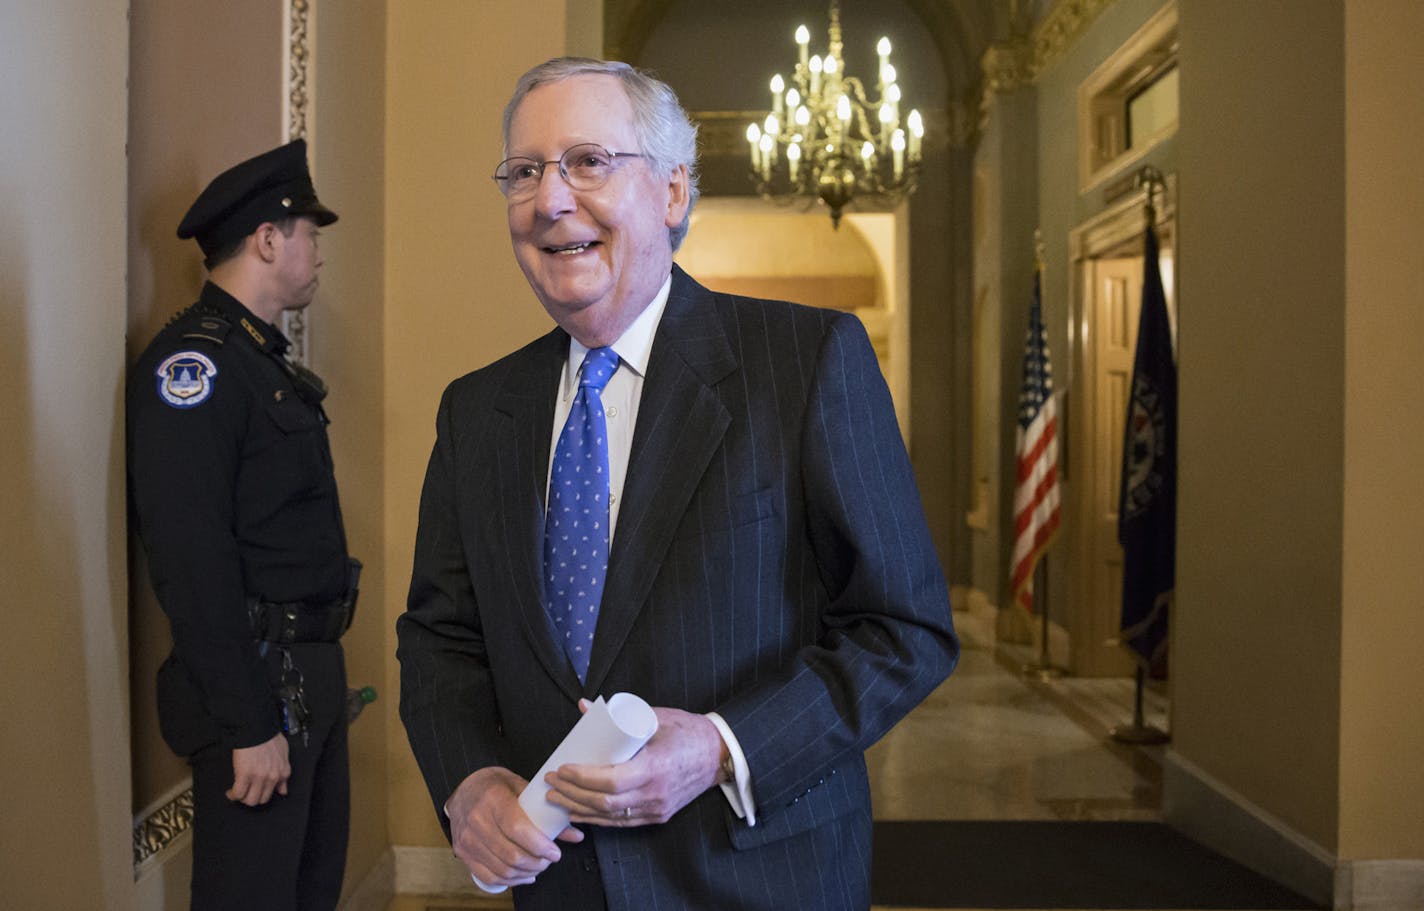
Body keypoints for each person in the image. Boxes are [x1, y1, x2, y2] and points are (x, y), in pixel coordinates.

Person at [396, 57, 958, 911]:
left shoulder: (804, 365)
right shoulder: (476, 412)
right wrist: (467, 780)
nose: (550, 200)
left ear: (671, 192)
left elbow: (904, 628)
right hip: (563, 889)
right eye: (524, 172)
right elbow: (441, 636)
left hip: (760, 878)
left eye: (588, 162)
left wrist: (726, 746)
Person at [128, 139, 360, 911]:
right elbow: (192, 559)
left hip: (307, 670)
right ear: (269, 238)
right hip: (260, 686)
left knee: (308, 892)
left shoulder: (262, 364)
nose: (318, 254)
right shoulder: (194, 370)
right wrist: (247, 720)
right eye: (310, 234)